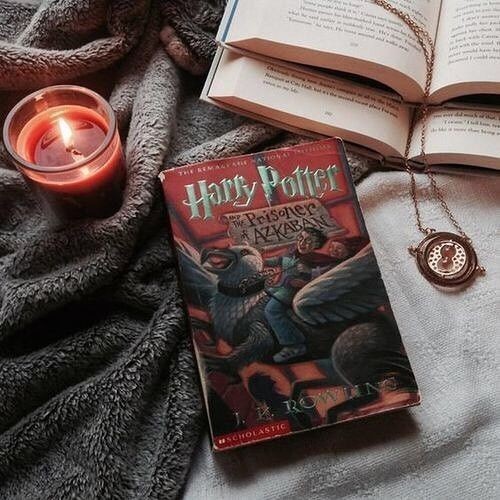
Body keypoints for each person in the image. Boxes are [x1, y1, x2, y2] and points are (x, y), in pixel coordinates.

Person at [264, 228, 349, 363]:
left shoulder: (318, 261)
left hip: (295, 293)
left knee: (272, 310)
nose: (302, 243)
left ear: (316, 245)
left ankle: (294, 345)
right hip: (280, 288)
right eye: (301, 238)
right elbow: (278, 261)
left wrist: (307, 276)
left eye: (308, 241)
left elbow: (324, 279)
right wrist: (259, 260)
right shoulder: (291, 253)